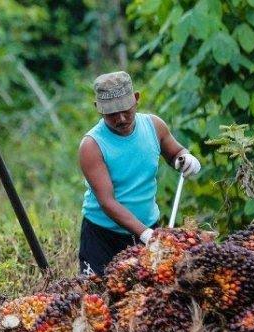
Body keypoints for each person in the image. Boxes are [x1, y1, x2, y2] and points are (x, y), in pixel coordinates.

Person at [78, 71, 201, 276]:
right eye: (111, 114)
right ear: (98, 109)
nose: (121, 118)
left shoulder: (154, 126)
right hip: (103, 237)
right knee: (95, 298)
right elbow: (107, 201)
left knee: (148, 298)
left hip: (148, 226)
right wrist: (145, 234)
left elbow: (175, 153)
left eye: (126, 109)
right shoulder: (92, 146)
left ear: (136, 99)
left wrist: (185, 159)